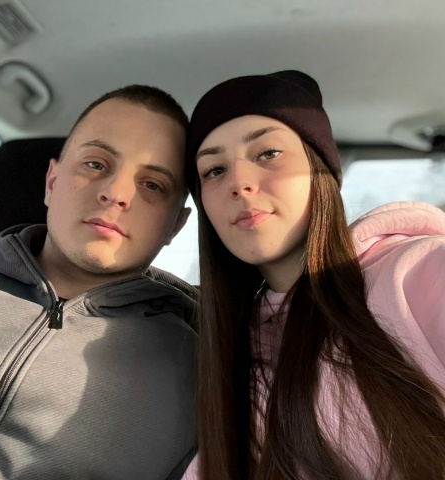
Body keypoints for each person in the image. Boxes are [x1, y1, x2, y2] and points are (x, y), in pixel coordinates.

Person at [182, 70, 445, 479]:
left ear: (319, 168)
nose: (240, 183)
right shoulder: (226, 351)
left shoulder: (418, 270)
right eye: (214, 170)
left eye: (268, 153)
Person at [0, 85, 198, 479]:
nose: (115, 193)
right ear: (51, 182)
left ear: (175, 225)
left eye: (152, 185)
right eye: (95, 164)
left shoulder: (200, 368)